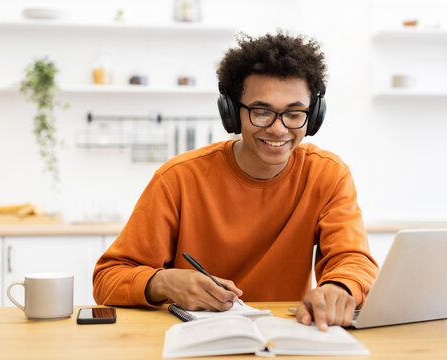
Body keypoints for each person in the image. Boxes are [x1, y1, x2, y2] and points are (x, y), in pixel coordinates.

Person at [93, 32, 378, 331]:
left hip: (287, 335)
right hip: (194, 336)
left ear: (314, 116)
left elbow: (355, 262)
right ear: (231, 112)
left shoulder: (327, 174)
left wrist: (341, 289)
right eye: (262, 111)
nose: (279, 129)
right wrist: (163, 282)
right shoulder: (178, 178)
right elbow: (108, 278)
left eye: (294, 114)